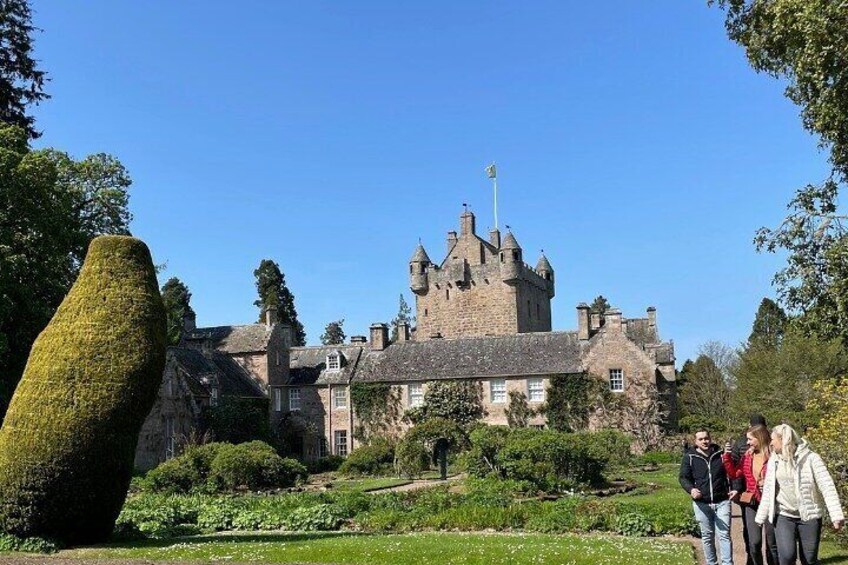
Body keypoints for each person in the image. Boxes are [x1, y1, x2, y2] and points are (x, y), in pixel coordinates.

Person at [755, 423, 845, 565]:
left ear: (784, 440)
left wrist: (836, 515)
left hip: (809, 516)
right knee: (786, 556)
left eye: (773, 439)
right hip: (784, 514)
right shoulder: (774, 460)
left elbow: (827, 486)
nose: (770, 443)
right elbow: (768, 490)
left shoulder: (811, 458)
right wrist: (760, 518)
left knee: (809, 559)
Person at [723, 424, 778, 565]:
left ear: (759, 438)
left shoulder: (774, 455)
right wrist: (727, 458)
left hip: (771, 502)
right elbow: (735, 474)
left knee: (772, 543)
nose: (747, 443)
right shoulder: (748, 455)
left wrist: (769, 481)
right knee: (754, 542)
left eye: (750, 439)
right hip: (752, 502)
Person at [680, 428, 736, 565]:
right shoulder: (690, 457)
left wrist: (735, 488)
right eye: (701, 439)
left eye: (706, 438)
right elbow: (683, 477)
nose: (704, 441)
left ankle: (727, 563)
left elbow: (732, 471)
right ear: (696, 441)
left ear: (710, 439)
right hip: (702, 503)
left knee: (724, 535)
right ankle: (712, 563)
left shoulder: (720, 454)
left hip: (721, 501)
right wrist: (691, 489)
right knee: (707, 536)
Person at [730, 414, 768, 565]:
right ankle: (754, 558)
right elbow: (737, 470)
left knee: (764, 538)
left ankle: (752, 559)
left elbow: (734, 470)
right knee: (756, 538)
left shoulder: (771, 448)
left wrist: (737, 489)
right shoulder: (743, 446)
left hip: (759, 495)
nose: (748, 442)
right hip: (750, 495)